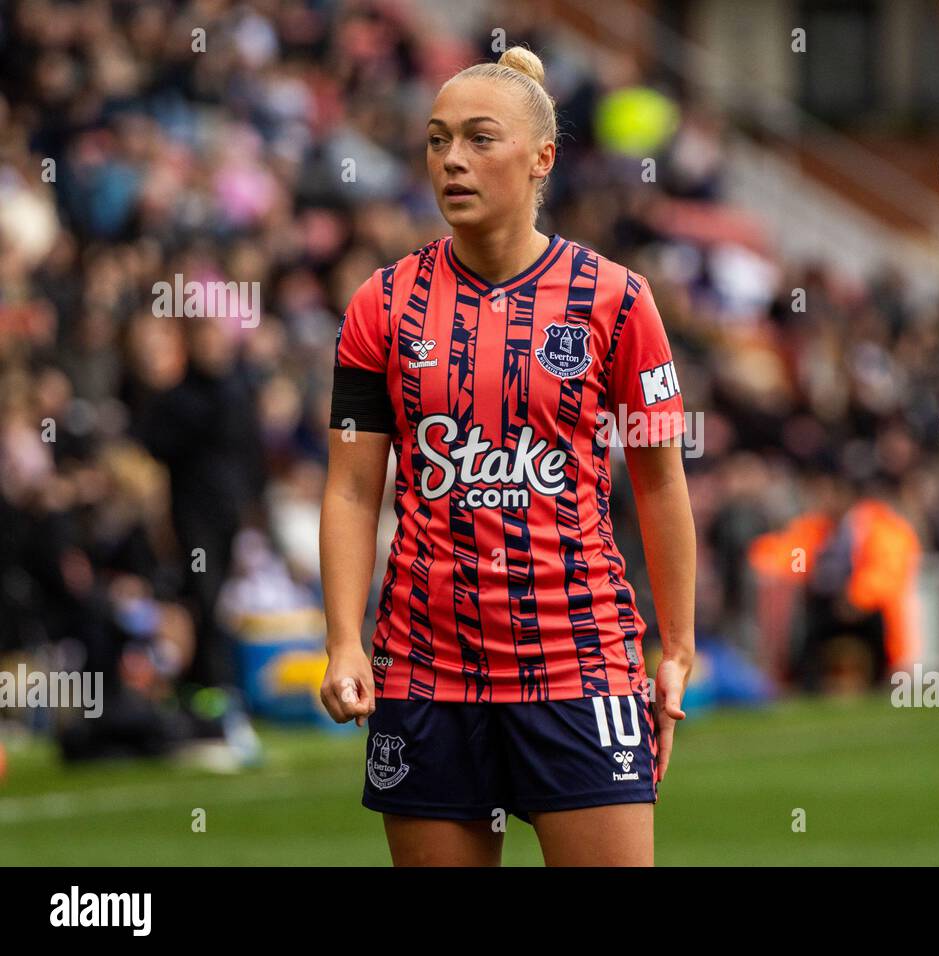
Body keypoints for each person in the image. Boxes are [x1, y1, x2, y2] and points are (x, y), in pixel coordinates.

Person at [318, 46, 696, 867]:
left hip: (579, 662)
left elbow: (661, 483)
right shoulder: (380, 305)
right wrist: (344, 640)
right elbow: (351, 491)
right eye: (436, 139)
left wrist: (679, 647)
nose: (452, 160)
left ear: (541, 159)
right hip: (425, 672)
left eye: (480, 139)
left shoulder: (618, 300)